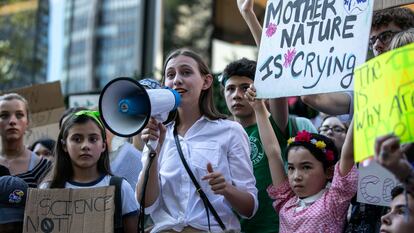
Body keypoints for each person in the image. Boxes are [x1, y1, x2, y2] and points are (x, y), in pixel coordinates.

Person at [137, 48, 258, 233]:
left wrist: (226, 188)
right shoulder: (157, 133)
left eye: (186, 72)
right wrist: (154, 149)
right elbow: (145, 204)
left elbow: (250, 208)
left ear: (206, 81)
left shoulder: (230, 131)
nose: (177, 80)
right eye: (170, 75)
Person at [221, 58, 316, 233]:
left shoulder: (273, 126)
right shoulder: (219, 135)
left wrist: (255, 29)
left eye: (245, 87)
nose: (236, 95)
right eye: (230, 89)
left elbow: (275, 65)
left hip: (273, 227)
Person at [301, 7, 414, 116]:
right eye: (372, 41)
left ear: (408, 35)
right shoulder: (370, 89)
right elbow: (315, 98)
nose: (377, 45)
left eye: (385, 37)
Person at [40, 110, 138, 233]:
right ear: (64, 145)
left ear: (103, 145)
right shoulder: (47, 191)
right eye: (77, 139)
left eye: (93, 139)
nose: (85, 146)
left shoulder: (120, 188)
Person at [266, 119, 357, 232]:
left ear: (329, 172)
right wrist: (258, 107)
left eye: (306, 167)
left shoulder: (333, 201)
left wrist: (360, 108)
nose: (296, 176)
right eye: (291, 168)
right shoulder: (286, 201)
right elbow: (272, 153)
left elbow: (348, 153)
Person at [0, 93, 51, 187]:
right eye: (4, 115)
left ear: (27, 122)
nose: (12, 121)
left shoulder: (44, 167)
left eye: (19, 115)